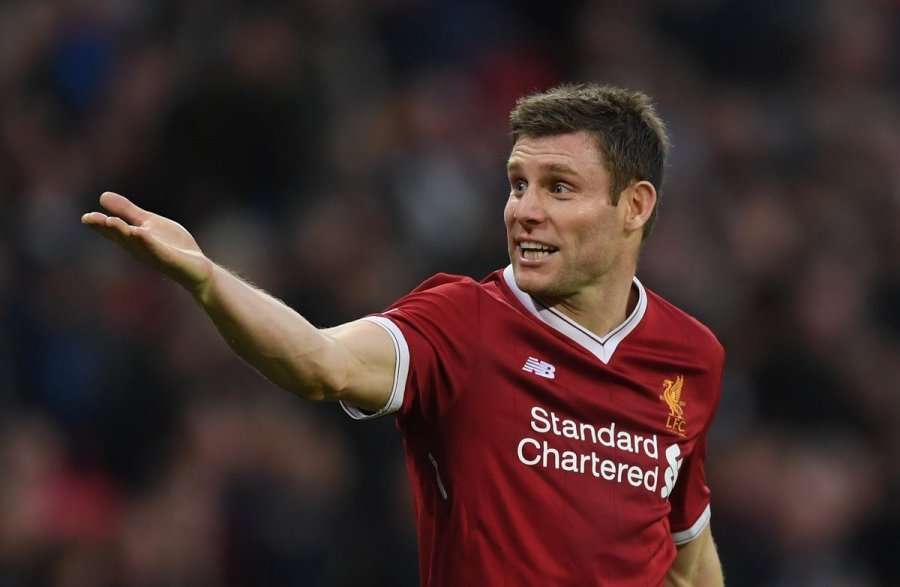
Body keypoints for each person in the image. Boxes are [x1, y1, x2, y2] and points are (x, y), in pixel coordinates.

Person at [83, 83, 725, 586]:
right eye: (517, 184)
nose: (525, 210)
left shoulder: (691, 358)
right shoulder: (465, 322)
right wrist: (206, 278)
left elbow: (688, 554)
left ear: (634, 205)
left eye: (559, 188)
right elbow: (320, 362)